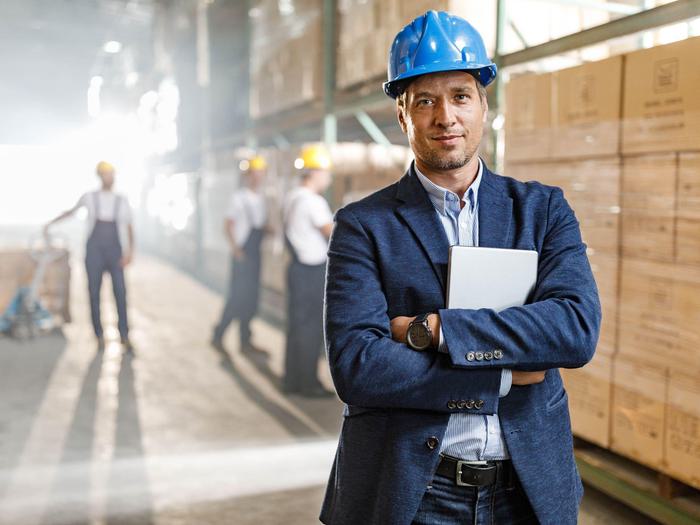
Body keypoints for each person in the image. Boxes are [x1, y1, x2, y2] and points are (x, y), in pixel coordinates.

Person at [321, 11, 601, 525]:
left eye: (460, 96)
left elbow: (575, 330)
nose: (444, 116)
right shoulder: (363, 226)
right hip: (411, 492)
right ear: (403, 117)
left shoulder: (541, 211)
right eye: (424, 101)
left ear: (483, 107)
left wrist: (436, 330)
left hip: (529, 493)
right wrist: (501, 375)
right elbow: (358, 366)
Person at [45, 161, 135, 352]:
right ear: (99, 176)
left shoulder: (122, 199)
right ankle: (99, 335)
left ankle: (124, 335)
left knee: (120, 292)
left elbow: (129, 226)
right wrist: (51, 223)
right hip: (94, 252)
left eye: (111, 174)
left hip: (115, 252)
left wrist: (130, 252)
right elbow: (71, 212)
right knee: (94, 293)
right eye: (105, 174)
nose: (108, 178)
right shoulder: (89, 197)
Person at [283, 144, 335, 397]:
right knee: (310, 328)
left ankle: (291, 381)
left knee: (296, 326)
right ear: (315, 173)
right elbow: (333, 235)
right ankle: (308, 384)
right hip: (311, 271)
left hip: (296, 268)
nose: (328, 178)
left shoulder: (292, 196)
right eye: (326, 173)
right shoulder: (314, 202)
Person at [211, 155, 268, 355]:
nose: (258, 177)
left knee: (251, 299)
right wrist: (236, 250)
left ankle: (245, 340)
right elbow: (228, 225)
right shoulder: (239, 198)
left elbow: (259, 227)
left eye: (261, 173)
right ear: (248, 175)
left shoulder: (260, 199)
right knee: (237, 298)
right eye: (255, 173)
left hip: (255, 256)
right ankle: (218, 334)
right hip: (243, 255)